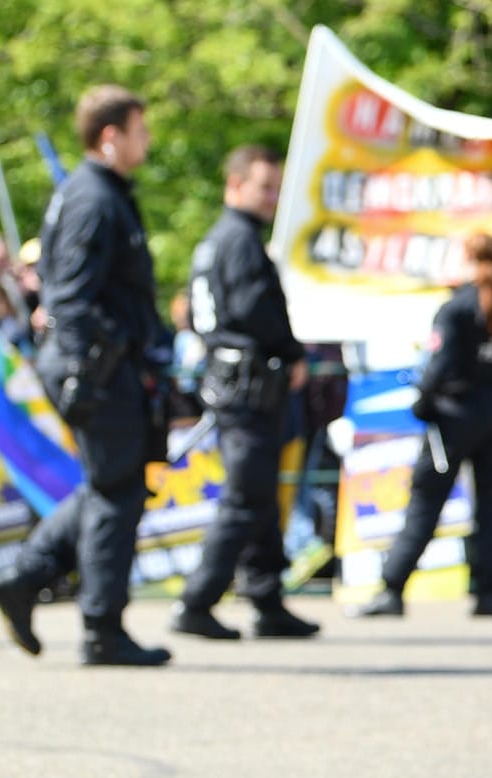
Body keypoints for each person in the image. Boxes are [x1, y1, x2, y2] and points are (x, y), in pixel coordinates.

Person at [0, 86, 171, 666]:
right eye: (141, 129)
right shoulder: (93, 199)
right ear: (110, 135)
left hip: (103, 365)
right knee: (116, 492)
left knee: (112, 485)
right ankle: (101, 629)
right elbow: (71, 297)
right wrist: (97, 368)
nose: (147, 141)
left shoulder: (99, 193)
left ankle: (23, 580)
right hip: (98, 368)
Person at [167, 145, 321, 642]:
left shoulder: (217, 241)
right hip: (247, 385)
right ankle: (197, 600)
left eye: (275, 187)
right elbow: (256, 309)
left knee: (257, 493)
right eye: (264, 187)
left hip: (233, 381)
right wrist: (292, 351)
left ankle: (267, 597)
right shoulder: (240, 241)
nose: (272, 198)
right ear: (235, 186)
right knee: (246, 498)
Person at [351, 231, 492, 618]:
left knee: (425, 503)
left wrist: (423, 403)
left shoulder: (456, 309)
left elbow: (440, 364)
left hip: (454, 421)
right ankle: (486, 595)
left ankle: (393, 587)